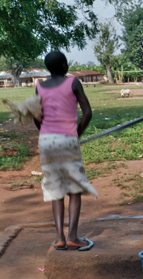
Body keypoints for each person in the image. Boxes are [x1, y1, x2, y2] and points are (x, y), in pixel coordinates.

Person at [34, 50, 98, 251]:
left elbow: (37, 116)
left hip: (46, 141)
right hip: (67, 140)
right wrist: (76, 132)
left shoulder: (39, 86)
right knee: (74, 189)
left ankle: (59, 238)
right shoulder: (73, 82)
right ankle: (72, 236)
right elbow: (87, 112)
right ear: (64, 66)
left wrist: (45, 132)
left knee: (55, 188)